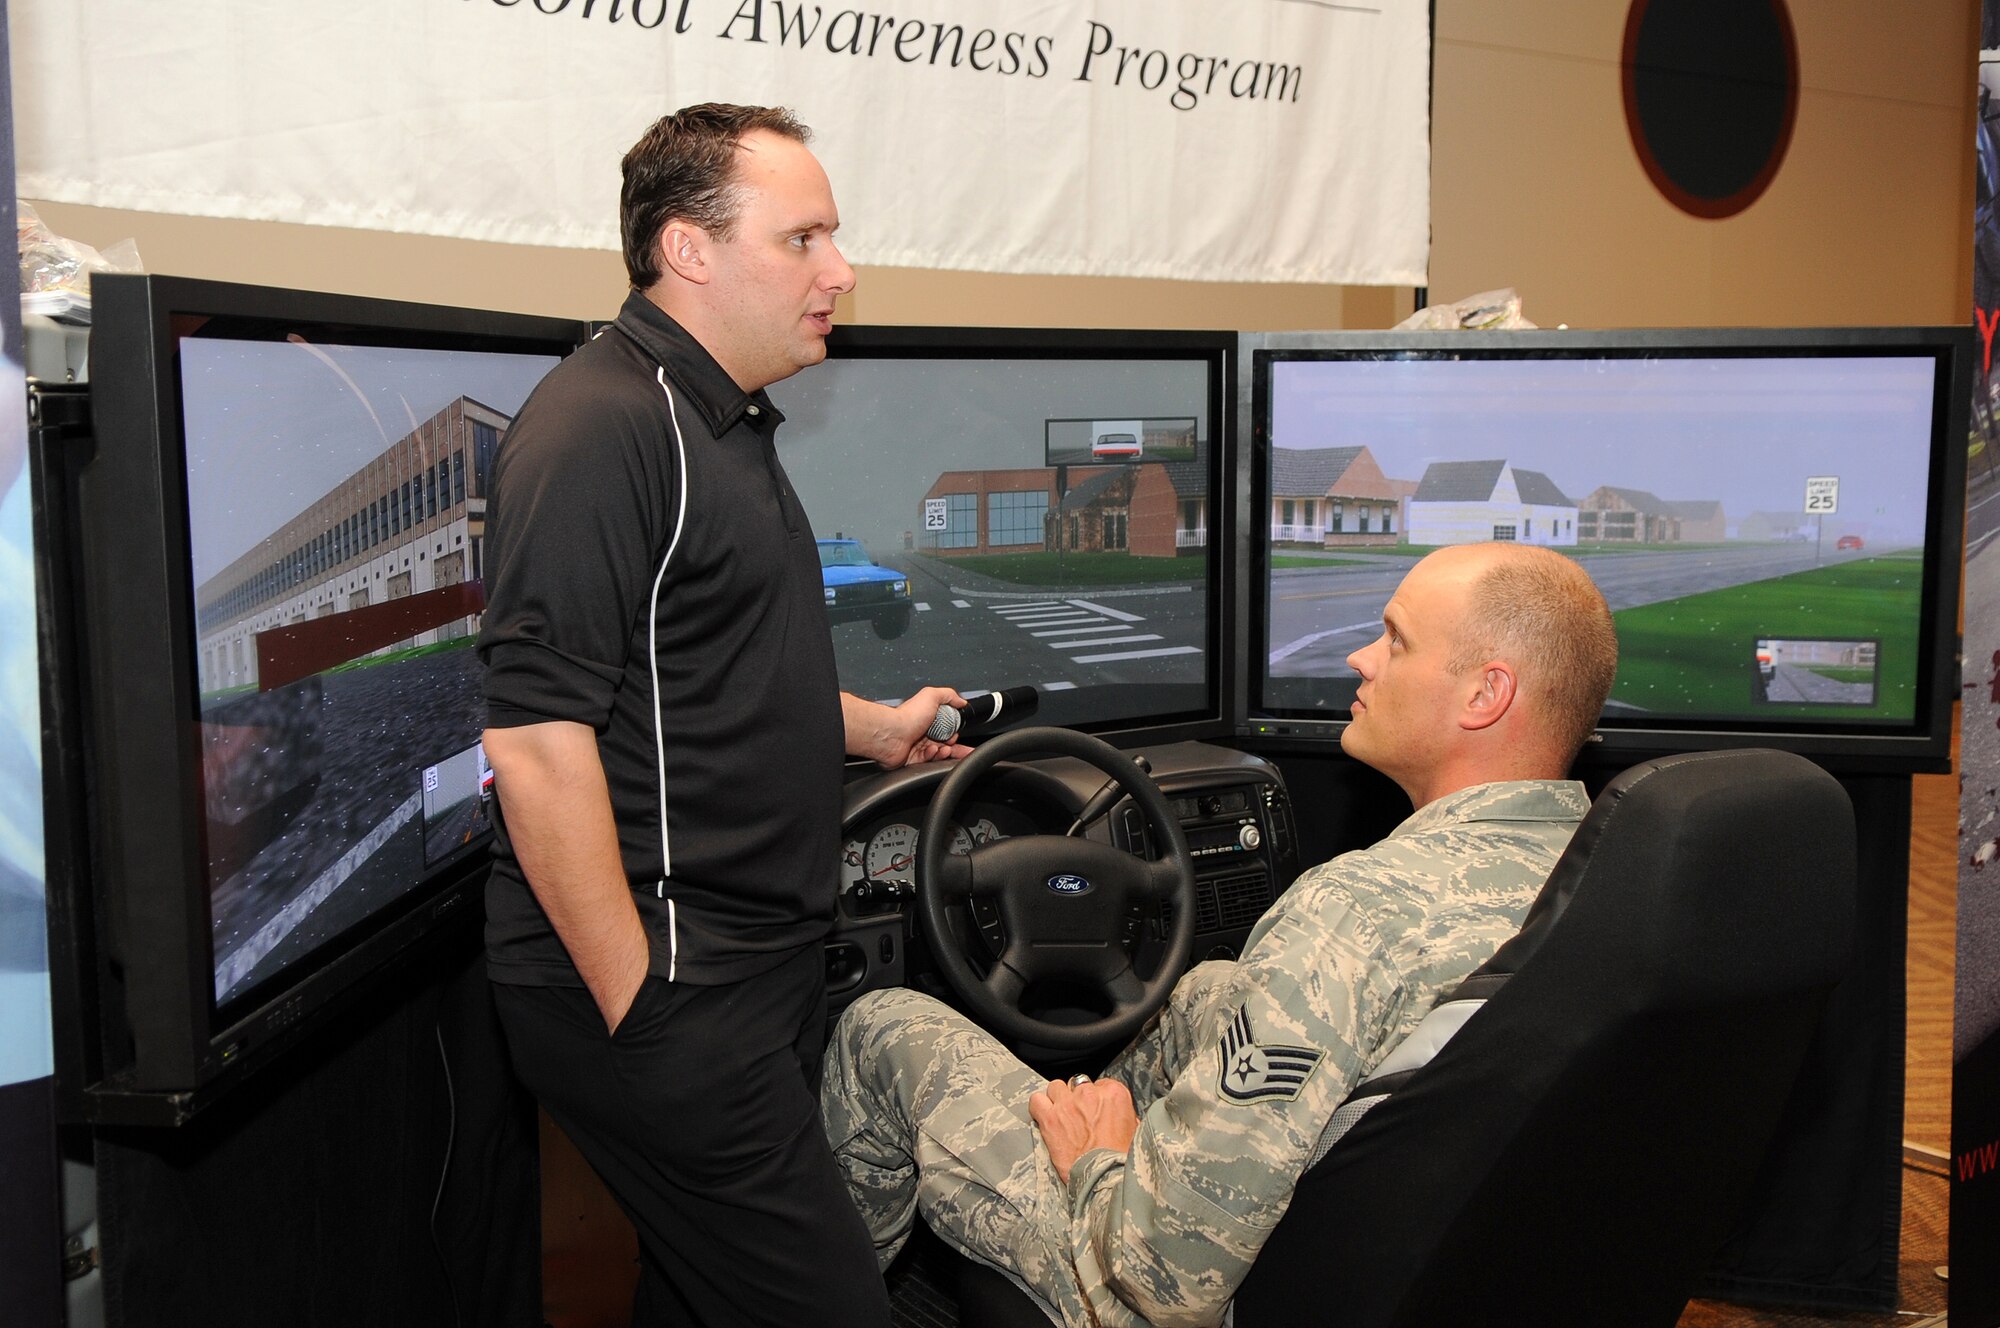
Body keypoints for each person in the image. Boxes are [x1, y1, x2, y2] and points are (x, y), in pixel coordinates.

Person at [820, 541, 1620, 1328]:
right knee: (1207, 990)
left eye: (1394, 640)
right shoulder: (1616, 879)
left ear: (1485, 695)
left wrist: (1098, 1162)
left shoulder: (1358, 913)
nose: (1359, 659)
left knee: (878, 1027)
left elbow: (1166, 1281)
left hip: (1159, 1286)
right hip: (1434, 1263)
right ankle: (1121, 1125)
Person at [478, 104, 968, 1328]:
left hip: (744, 970)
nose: (839, 273)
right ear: (688, 249)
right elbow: (537, 743)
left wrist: (863, 729)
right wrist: (641, 1008)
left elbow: (706, 666)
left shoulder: (717, 417)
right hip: (665, 987)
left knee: (701, 1300)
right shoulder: (599, 427)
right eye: (803, 239)